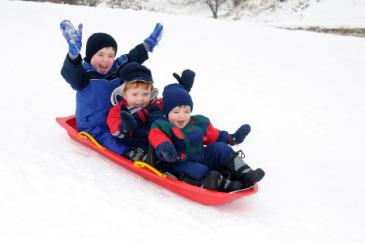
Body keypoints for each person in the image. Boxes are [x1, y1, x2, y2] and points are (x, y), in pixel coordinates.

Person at [59, 20, 163, 155]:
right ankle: (130, 154)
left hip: (116, 120)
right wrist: (73, 57)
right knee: (111, 142)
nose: (105, 60)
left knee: (137, 130)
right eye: (100, 55)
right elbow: (71, 74)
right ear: (90, 56)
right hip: (93, 126)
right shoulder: (83, 74)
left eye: (110, 56)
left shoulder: (115, 69)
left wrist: (147, 45)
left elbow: (132, 58)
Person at [148, 83, 265, 192]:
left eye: (186, 111)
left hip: (201, 156)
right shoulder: (161, 125)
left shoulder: (198, 122)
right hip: (178, 162)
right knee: (199, 170)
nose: (182, 116)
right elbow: (157, 137)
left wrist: (232, 138)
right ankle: (218, 183)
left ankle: (244, 172)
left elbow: (215, 135)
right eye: (176, 112)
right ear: (167, 112)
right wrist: (166, 148)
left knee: (220, 148)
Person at [106, 62, 195, 161]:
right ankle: (156, 157)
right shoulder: (118, 110)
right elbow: (114, 130)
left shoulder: (154, 103)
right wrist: (125, 126)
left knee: (159, 114)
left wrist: (183, 89)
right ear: (124, 94)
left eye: (145, 94)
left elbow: (171, 102)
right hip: (138, 143)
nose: (140, 99)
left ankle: (185, 147)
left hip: (161, 139)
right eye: (135, 94)